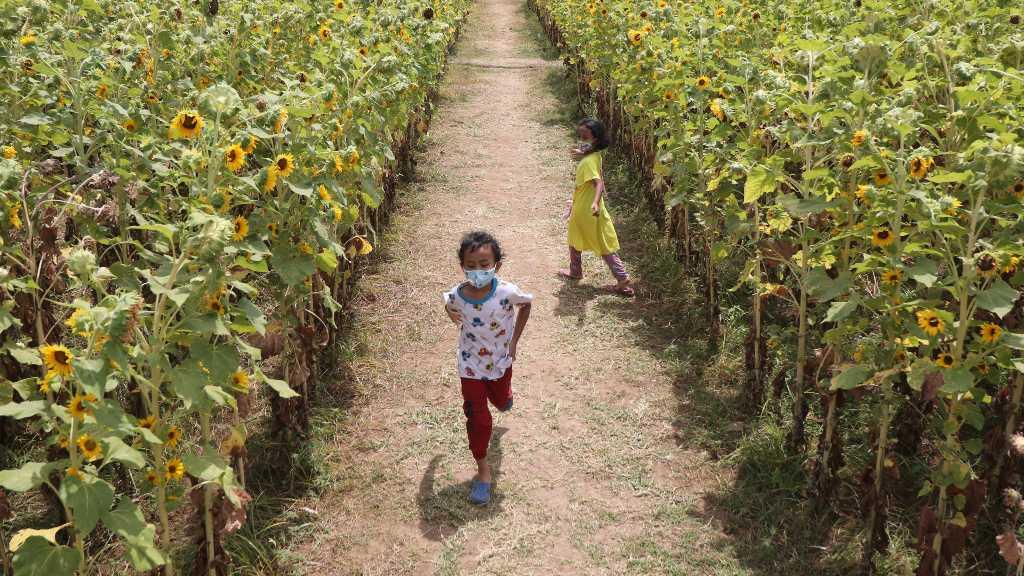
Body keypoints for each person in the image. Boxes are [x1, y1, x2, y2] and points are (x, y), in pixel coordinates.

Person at [443, 231, 533, 505]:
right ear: (462, 266)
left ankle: (504, 396)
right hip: (469, 366)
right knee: (478, 418)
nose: (477, 271)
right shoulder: (459, 294)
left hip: (500, 362)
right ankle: (483, 471)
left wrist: (515, 341)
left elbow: (526, 304)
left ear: (497, 266)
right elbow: (448, 301)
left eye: (484, 265)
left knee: (501, 401)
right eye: (470, 265)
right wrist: (449, 311)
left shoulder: (506, 292)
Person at [559, 117, 634, 297]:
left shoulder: (590, 160)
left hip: (586, 208)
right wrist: (582, 153)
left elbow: (598, 182)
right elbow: (591, 158)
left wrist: (594, 202)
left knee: (599, 243)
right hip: (587, 206)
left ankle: (622, 278)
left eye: (584, 133)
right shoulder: (595, 154)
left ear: (595, 137)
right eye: (580, 132)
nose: (581, 136)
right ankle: (576, 271)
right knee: (587, 239)